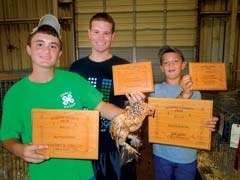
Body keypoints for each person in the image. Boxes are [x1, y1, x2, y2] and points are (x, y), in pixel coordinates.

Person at [0, 14, 145, 180]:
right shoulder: (16, 94)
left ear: (60, 53)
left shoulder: (73, 80)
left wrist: (133, 115)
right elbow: (7, 136)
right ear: (28, 49)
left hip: (83, 174)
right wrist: (20, 150)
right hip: (44, 175)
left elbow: (103, 108)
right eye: (40, 44)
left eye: (53, 46)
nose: (47, 51)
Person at [69, 12, 140, 180]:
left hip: (117, 147)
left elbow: (134, 111)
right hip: (86, 147)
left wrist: (138, 104)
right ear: (89, 33)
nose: (101, 37)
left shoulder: (124, 67)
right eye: (96, 32)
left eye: (106, 33)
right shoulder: (76, 68)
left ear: (113, 36)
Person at [149, 45, 218, 180]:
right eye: (166, 62)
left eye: (175, 61)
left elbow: (196, 121)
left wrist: (207, 124)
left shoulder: (196, 92)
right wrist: (184, 95)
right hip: (162, 153)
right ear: (162, 68)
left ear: (183, 64)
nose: (171, 65)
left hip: (187, 155)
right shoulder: (156, 91)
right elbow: (162, 117)